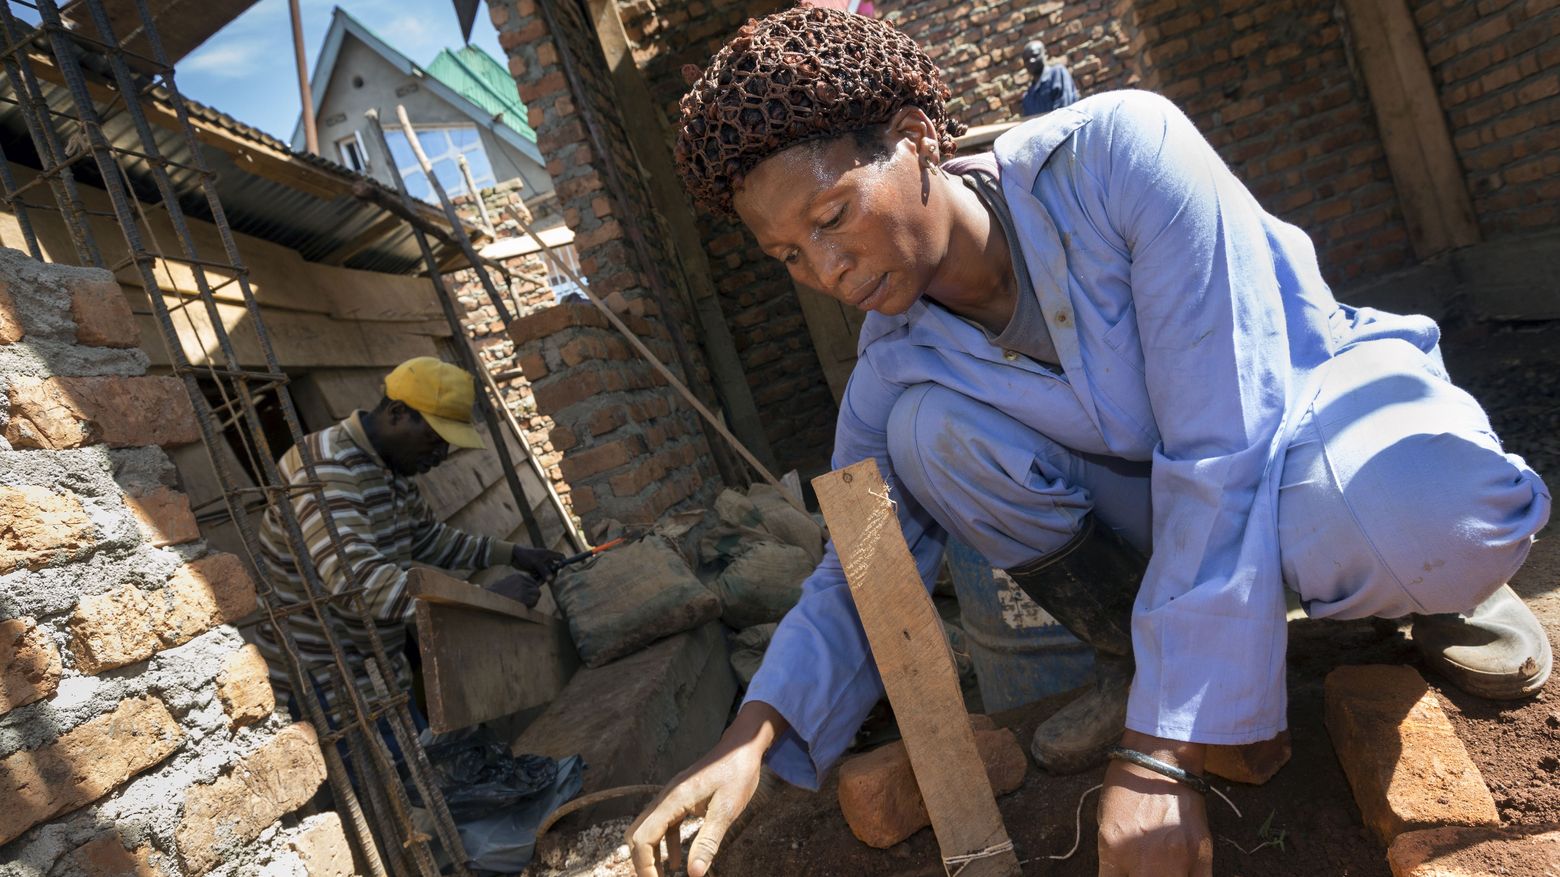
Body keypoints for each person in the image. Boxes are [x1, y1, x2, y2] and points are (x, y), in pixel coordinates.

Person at [630, 8, 1552, 877]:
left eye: (830, 217)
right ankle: (1149, 655)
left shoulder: (1116, 158)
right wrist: (748, 736)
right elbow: (860, 567)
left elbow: (1225, 435)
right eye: (788, 255)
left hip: (1305, 421)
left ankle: (1422, 597)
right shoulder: (894, 363)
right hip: (1185, 508)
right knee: (924, 434)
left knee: (1429, 512)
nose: (824, 271)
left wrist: (1158, 756)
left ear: (914, 138)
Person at [254, 356, 562, 713]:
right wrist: (483, 602)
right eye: (434, 439)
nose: (441, 455)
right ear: (398, 413)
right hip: (328, 687)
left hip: (376, 672)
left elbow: (426, 538)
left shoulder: (389, 467)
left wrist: (511, 554)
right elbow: (357, 581)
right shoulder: (327, 468)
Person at [1020, 38, 1078, 116]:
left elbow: (1065, 112)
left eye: (1035, 55)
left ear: (1045, 54)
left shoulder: (1057, 74)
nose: (1031, 61)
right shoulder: (1028, 97)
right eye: (1026, 59)